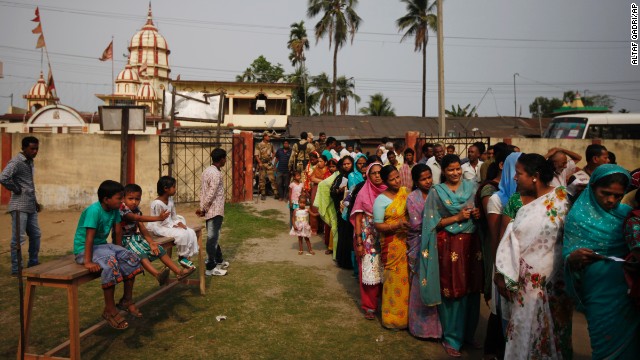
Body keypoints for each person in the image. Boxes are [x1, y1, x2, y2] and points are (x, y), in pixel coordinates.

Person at [494, 154, 573, 360]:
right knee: (524, 334)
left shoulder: (563, 200)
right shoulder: (521, 205)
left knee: (553, 335)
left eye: (519, 174)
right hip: (525, 287)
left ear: (535, 176)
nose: (515, 178)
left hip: (555, 284)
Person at [563, 164, 640, 359]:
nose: (611, 200)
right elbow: (567, 255)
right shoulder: (577, 217)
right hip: (597, 293)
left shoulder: (626, 215)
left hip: (628, 293)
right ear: (592, 187)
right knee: (603, 345)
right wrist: (572, 258)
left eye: (618, 195)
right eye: (605, 193)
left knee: (631, 346)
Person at [420, 154, 483, 357]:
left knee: (471, 290)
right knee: (452, 291)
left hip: (471, 245)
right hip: (448, 245)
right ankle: (451, 338)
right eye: (450, 170)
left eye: (458, 169)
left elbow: (479, 212)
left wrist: (476, 214)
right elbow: (431, 224)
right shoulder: (436, 193)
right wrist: (456, 217)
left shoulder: (472, 188)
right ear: (444, 171)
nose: (455, 173)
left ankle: (468, 335)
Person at [73, 180, 142, 330]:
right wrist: (87, 261)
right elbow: (89, 238)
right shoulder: (94, 211)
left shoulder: (115, 210)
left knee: (131, 257)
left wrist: (120, 252)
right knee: (110, 263)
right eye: (119, 198)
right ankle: (110, 310)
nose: (122, 201)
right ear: (106, 199)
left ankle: (126, 300)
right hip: (85, 249)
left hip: (103, 247)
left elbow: (118, 231)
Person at [120, 184, 195, 285]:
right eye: (130, 198)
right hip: (125, 240)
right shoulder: (122, 210)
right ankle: (157, 274)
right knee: (140, 253)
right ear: (123, 199)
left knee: (159, 248)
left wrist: (151, 242)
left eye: (137, 199)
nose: (134, 202)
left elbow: (142, 227)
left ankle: (178, 272)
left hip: (136, 237)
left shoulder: (136, 210)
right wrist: (158, 218)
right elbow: (138, 219)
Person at [406, 164, 442, 339]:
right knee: (422, 283)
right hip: (420, 244)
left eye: (429, 177)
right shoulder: (412, 198)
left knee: (438, 282)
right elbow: (415, 224)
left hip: (439, 243)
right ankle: (420, 328)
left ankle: (439, 328)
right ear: (416, 181)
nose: (428, 181)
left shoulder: (439, 193)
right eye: (423, 179)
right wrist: (440, 222)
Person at [372, 165, 410, 330]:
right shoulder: (381, 199)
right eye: (392, 179)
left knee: (407, 280)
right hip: (391, 243)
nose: (396, 181)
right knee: (392, 280)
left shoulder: (406, 193)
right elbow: (378, 226)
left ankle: (407, 318)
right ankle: (391, 318)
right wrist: (397, 225)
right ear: (386, 182)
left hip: (408, 242)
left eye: (397, 177)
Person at [0, 136, 42, 276]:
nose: (35, 151)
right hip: (18, 206)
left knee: (36, 235)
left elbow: (29, 184)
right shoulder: (16, 161)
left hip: (30, 205)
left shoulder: (30, 162)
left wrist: (35, 202)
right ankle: (16, 269)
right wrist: (15, 189)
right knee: (18, 239)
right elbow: (3, 177)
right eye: (32, 149)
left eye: (36, 149)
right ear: (23, 148)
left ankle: (33, 263)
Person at [351, 162, 386, 320]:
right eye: (374, 173)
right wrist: (359, 242)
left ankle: (384, 304)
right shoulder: (363, 193)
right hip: (368, 238)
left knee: (384, 270)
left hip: (386, 236)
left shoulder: (389, 191)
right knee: (369, 272)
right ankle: (369, 306)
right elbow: (358, 220)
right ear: (368, 175)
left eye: (380, 172)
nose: (377, 176)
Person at [148, 176, 199, 269]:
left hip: (169, 225)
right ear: (166, 189)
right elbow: (160, 221)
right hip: (159, 227)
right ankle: (181, 256)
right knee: (182, 234)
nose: (175, 189)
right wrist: (173, 225)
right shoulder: (157, 204)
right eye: (174, 187)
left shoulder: (170, 200)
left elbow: (174, 216)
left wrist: (178, 222)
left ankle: (185, 256)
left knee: (189, 231)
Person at [196, 148, 229, 277]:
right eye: (225, 158)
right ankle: (211, 267)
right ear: (221, 159)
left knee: (213, 235)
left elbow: (203, 191)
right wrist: (203, 208)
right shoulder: (215, 174)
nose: (226, 160)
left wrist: (203, 208)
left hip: (211, 209)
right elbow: (211, 193)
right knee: (212, 238)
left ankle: (219, 260)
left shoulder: (207, 171)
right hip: (214, 210)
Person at [332, 156, 355, 268]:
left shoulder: (357, 176)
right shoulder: (340, 177)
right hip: (342, 210)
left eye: (349, 163)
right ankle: (343, 261)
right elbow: (332, 190)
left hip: (354, 209)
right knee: (343, 234)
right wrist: (339, 190)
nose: (346, 166)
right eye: (344, 164)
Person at [255, 131, 278, 200]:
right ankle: (263, 193)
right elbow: (256, 155)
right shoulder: (259, 145)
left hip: (269, 164)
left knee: (272, 178)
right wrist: (259, 162)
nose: (269, 137)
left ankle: (276, 193)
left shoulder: (270, 145)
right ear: (264, 136)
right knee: (262, 179)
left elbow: (274, 152)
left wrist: (271, 158)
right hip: (262, 164)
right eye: (268, 136)